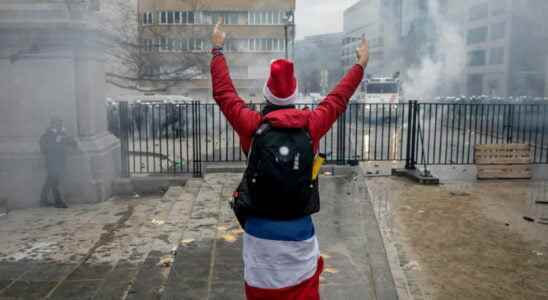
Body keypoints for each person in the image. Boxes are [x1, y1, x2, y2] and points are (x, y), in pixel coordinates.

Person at [210, 20, 368, 300]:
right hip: (299, 231)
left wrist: (217, 50)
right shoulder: (311, 125)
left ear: (267, 95)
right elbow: (338, 98)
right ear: (295, 95)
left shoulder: (252, 126)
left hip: (260, 232)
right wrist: (359, 66)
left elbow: (224, 94)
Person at [39, 117, 76, 208]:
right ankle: (58, 202)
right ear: (53, 126)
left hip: (60, 161)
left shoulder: (62, 134)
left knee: (50, 181)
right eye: (58, 125)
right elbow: (44, 149)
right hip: (52, 162)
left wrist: (68, 139)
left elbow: (73, 144)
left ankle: (43, 200)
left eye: (61, 125)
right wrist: (56, 142)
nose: (60, 127)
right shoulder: (46, 136)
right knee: (55, 182)